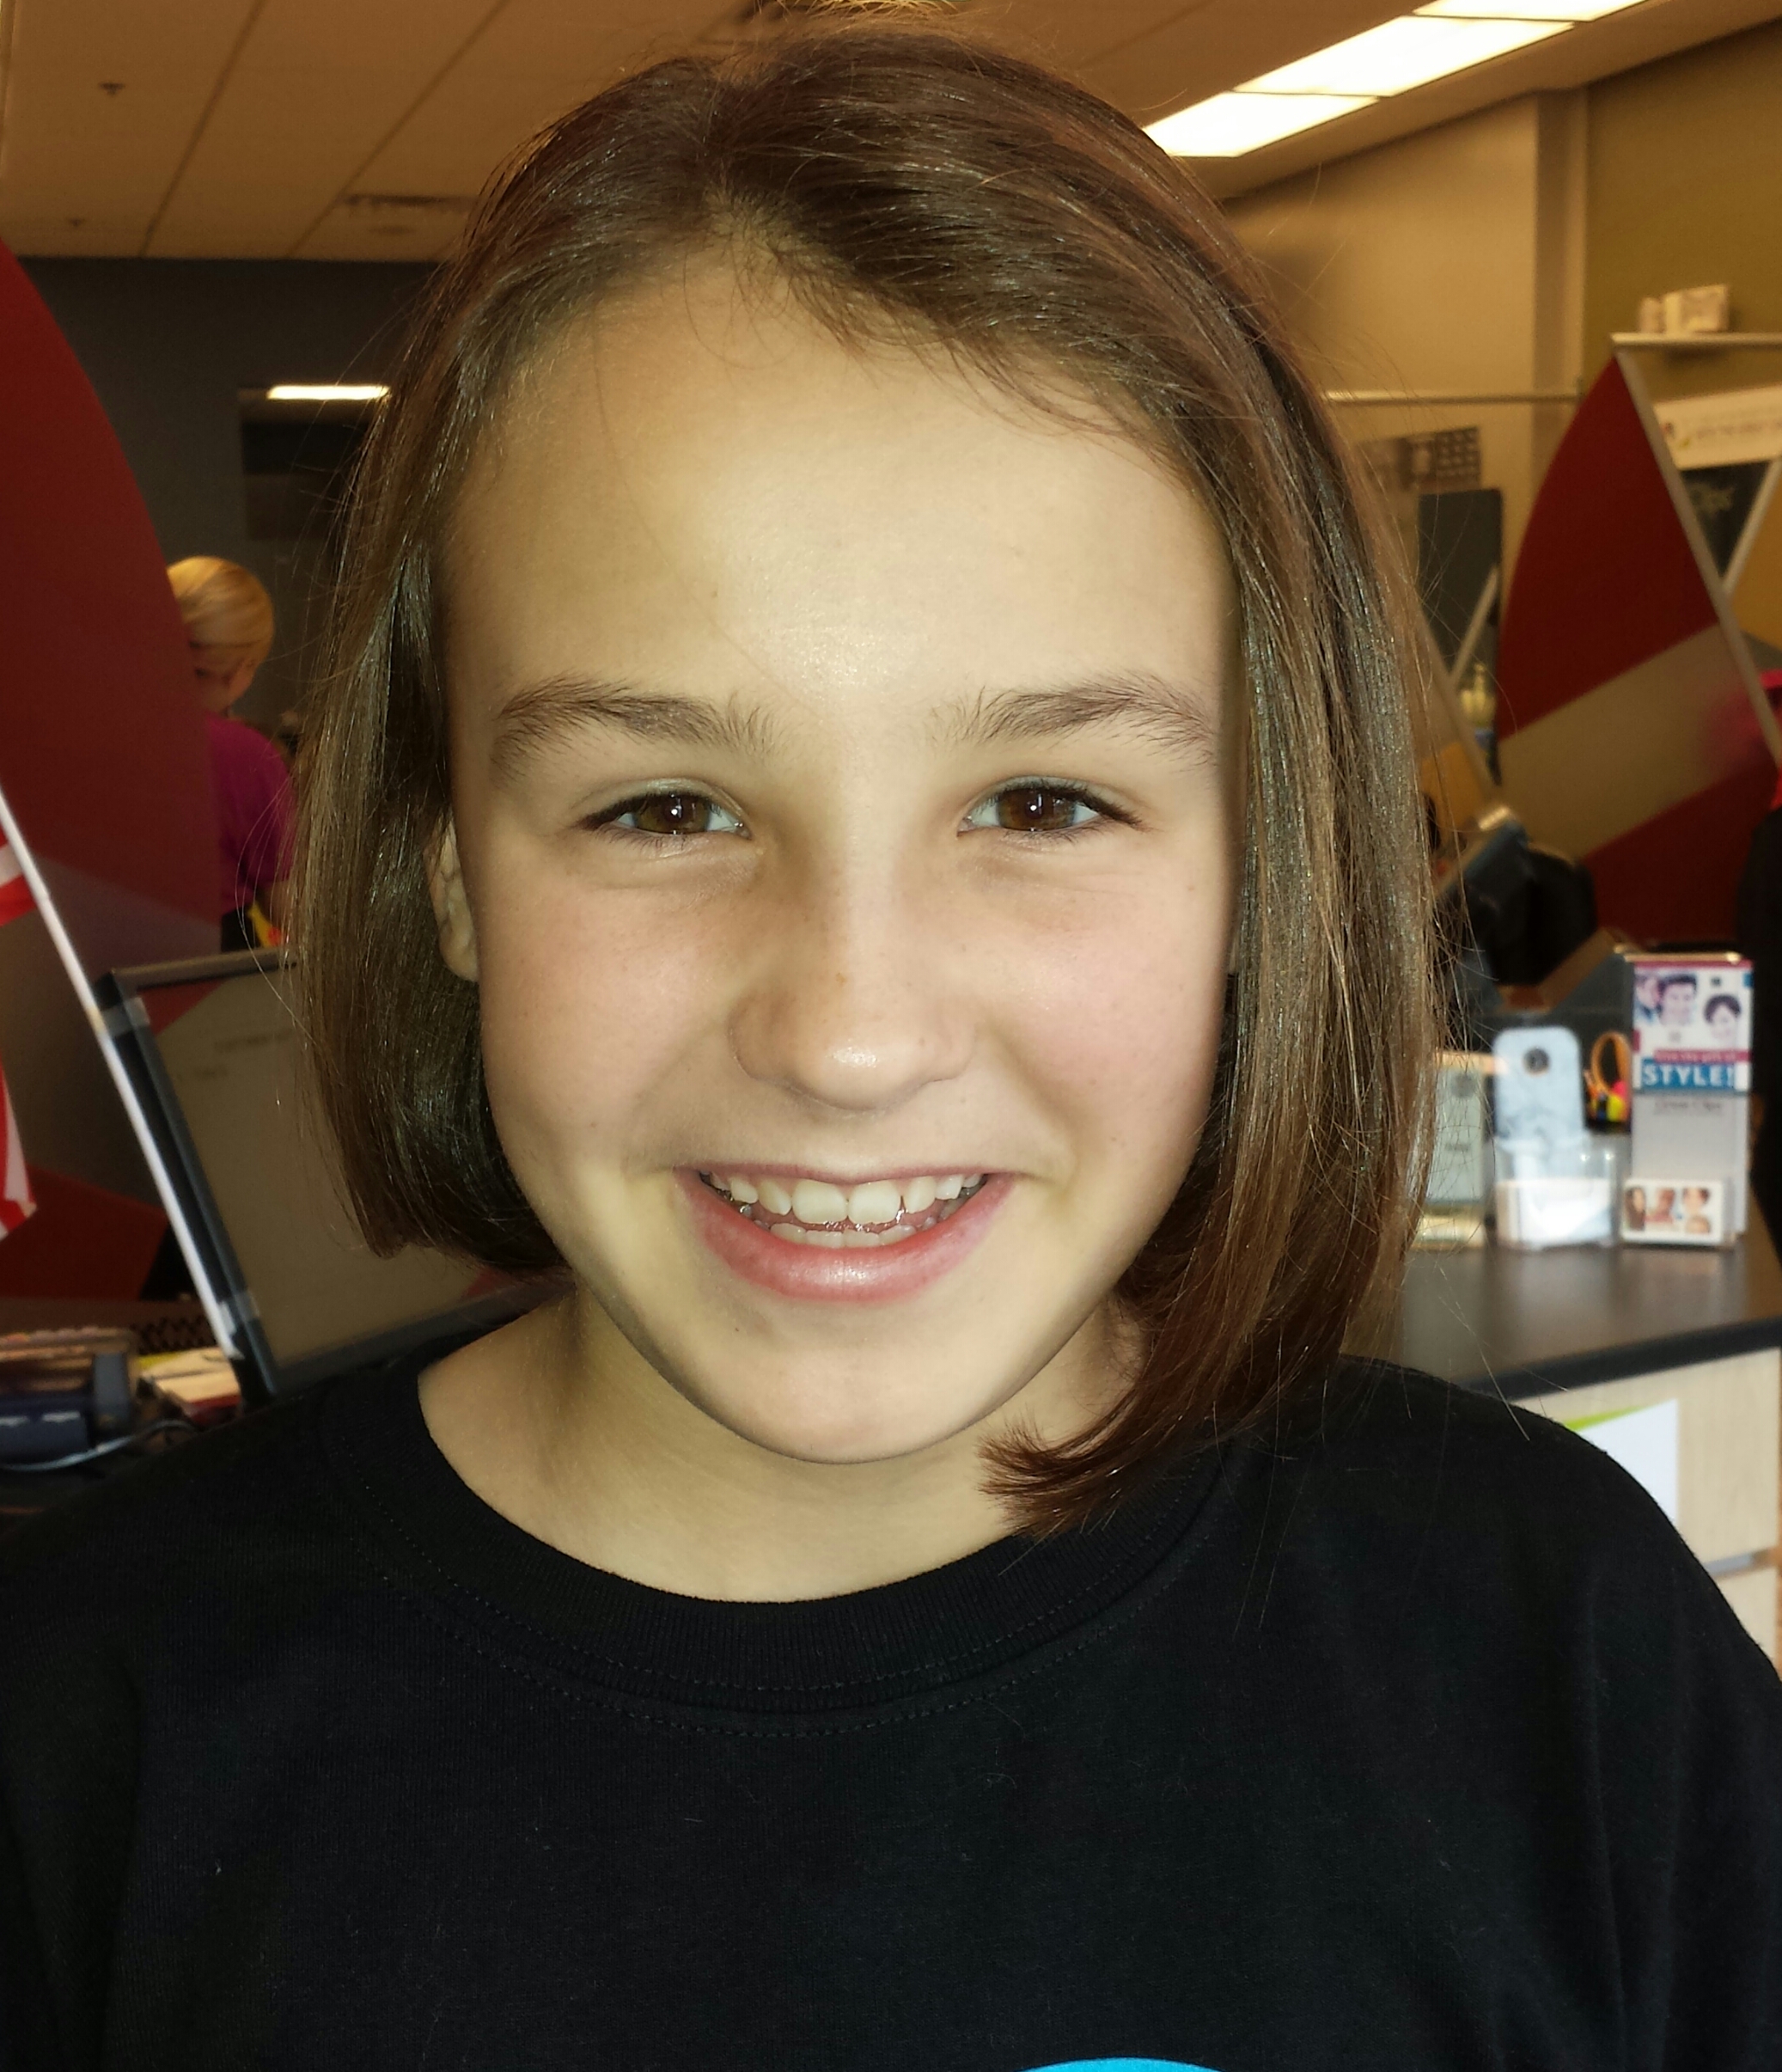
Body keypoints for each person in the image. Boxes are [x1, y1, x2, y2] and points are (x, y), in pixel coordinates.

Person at [3, 24, 1779, 2071]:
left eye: (1041, 800)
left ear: (1252, 868)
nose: (849, 1034)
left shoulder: (1556, 1654)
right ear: (451, 874)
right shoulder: (85, 1738)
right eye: (663, 805)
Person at [167, 555, 293, 950]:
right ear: (240, 668)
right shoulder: (244, 754)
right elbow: (291, 907)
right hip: (213, 965)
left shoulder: (97, 730)